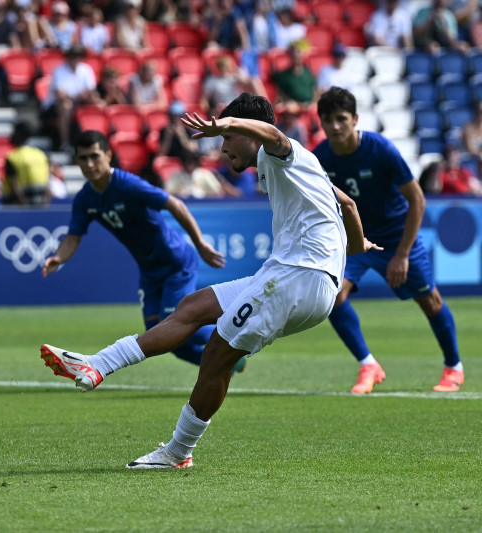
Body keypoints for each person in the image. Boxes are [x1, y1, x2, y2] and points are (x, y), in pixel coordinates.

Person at [40, 93, 376, 469]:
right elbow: (347, 204)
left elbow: (274, 135)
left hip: (299, 277)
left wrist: (227, 122)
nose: (222, 148)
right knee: (194, 306)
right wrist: (357, 243)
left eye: (227, 139)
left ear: (247, 133)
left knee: (217, 354)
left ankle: (177, 452)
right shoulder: (290, 167)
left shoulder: (283, 152)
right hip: (292, 274)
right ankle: (97, 364)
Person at [42, 128, 245, 373]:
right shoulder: (85, 199)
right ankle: (231, 364)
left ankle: (241, 333)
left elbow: (175, 204)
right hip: (149, 271)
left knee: (176, 325)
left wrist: (200, 243)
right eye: (83, 158)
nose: (89, 163)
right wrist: (59, 257)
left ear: (108, 155)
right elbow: (73, 237)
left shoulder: (127, 184)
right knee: (162, 336)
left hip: (174, 263)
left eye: (94, 156)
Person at [314, 87, 464, 393]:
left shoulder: (380, 149)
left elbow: (417, 199)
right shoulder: (319, 158)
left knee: (429, 300)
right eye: (328, 120)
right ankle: (368, 365)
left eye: (342, 118)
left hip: (396, 237)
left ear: (355, 119)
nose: (336, 126)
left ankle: (454, 367)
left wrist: (403, 255)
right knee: (332, 296)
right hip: (355, 240)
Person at [2, 121, 50, 206]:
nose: (12, 135)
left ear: (20, 135)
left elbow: (14, 187)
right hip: (39, 206)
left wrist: (26, 209)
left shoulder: (13, 157)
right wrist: (44, 208)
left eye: (15, 132)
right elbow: (48, 186)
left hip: (16, 209)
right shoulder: (42, 155)